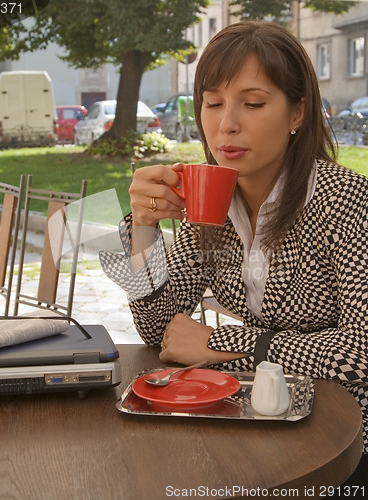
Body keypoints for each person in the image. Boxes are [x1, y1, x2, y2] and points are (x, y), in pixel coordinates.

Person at [100, 21, 368, 486]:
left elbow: (361, 351)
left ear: (297, 114)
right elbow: (159, 328)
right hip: (260, 422)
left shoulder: (345, 200)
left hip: (345, 438)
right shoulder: (211, 201)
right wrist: (144, 225)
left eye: (253, 103)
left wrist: (222, 345)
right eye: (214, 103)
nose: (227, 124)